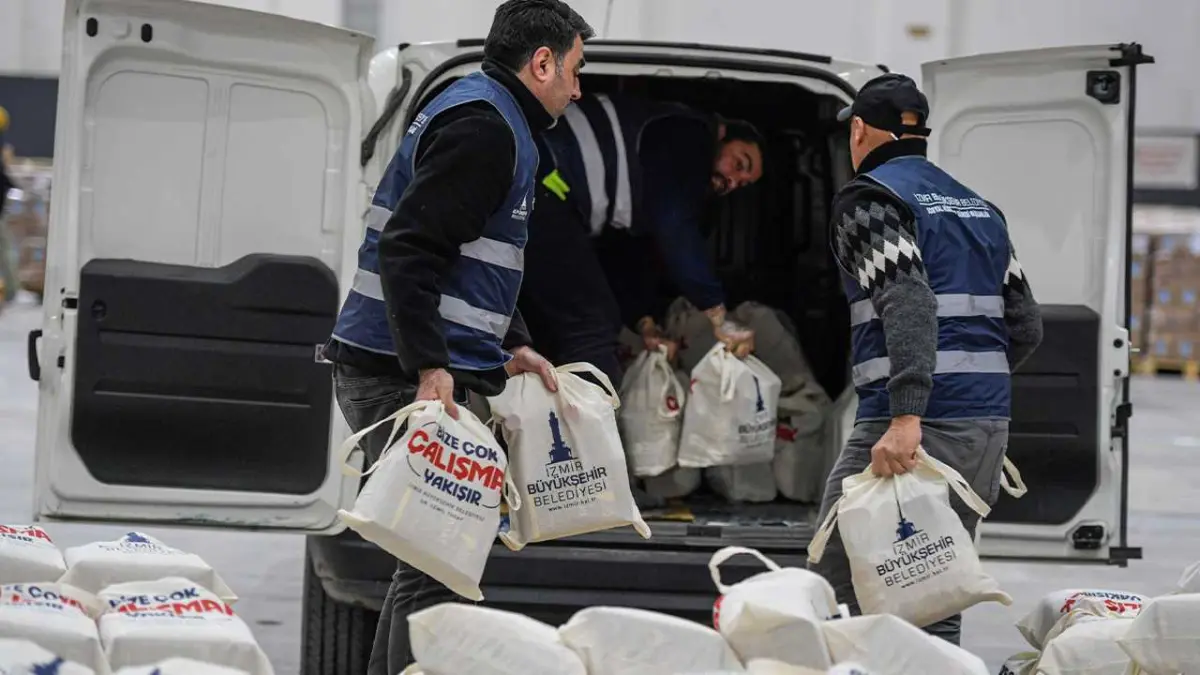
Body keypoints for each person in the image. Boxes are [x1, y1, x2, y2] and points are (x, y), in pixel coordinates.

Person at [320, 1, 592, 671]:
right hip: (397, 375)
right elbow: (411, 248)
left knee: (430, 559)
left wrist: (512, 342)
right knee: (437, 560)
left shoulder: (492, 115)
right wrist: (430, 367)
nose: (578, 88)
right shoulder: (486, 129)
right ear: (542, 62)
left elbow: (475, 258)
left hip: (400, 365)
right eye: (576, 70)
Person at [808, 73, 1043, 645]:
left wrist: (909, 413)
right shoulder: (979, 210)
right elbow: (1026, 326)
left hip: (914, 429)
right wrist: (972, 392)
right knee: (934, 592)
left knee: (835, 586)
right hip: (983, 429)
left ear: (858, 130)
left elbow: (907, 298)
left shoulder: (871, 200)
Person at [517, 93, 765, 385]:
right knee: (593, 326)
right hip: (544, 178)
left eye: (742, 184)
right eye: (740, 164)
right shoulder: (691, 134)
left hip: (548, 193)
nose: (733, 182)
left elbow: (626, 254)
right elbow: (675, 226)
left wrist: (645, 323)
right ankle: (587, 426)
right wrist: (719, 316)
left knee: (574, 318)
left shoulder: (655, 181)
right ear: (722, 133)